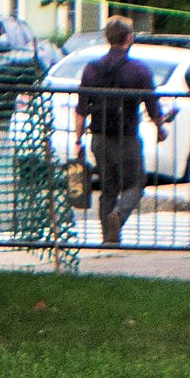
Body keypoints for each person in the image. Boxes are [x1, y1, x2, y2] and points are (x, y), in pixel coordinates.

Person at [73, 15, 168, 245]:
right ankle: (119, 215)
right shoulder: (139, 71)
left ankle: (108, 238)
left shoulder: (91, 69)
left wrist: (78, 140)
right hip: (127, 137)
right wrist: (160, 128)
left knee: (108, 188)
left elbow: (81, 109)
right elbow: (152, 107)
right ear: (129, 38)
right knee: (136, 183)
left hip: (99, 137)